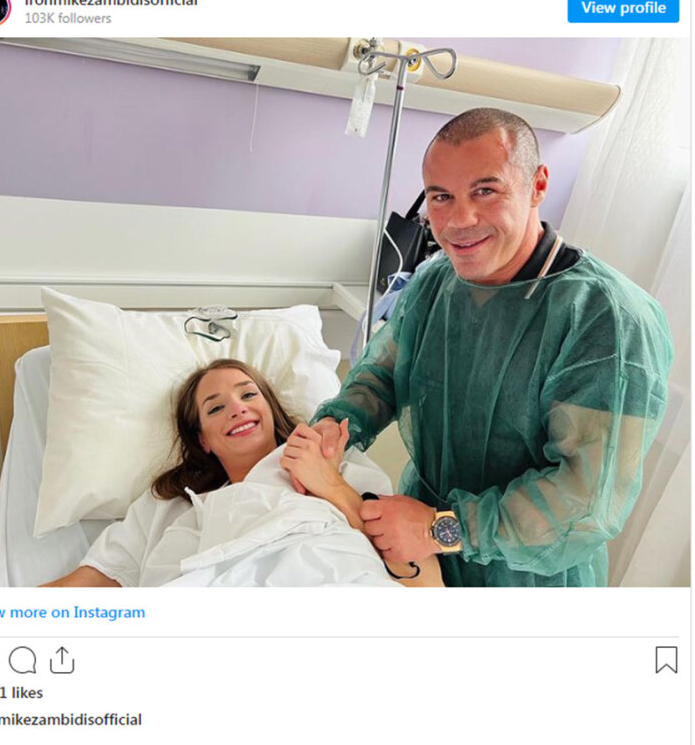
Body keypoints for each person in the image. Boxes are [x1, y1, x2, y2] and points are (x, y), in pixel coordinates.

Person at [285, 107, 673, 587]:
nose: (459, 220)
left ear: (537, 185)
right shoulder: (435, 282)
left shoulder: (607, 320)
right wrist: (338, 426)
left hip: (525, 577)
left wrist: (438, 529)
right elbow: (383, 374)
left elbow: (584, 502)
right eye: (441, 197)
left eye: (485, 191)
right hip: (417, 553)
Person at [43, 359, 438, 587]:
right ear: (203, 440)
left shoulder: (339, 465)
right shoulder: (172, 506)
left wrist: (329, 484)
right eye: (216, 408)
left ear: (270, 409)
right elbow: (95, 580)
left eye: (249, 394)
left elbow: (416, 576)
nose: (237, 409)